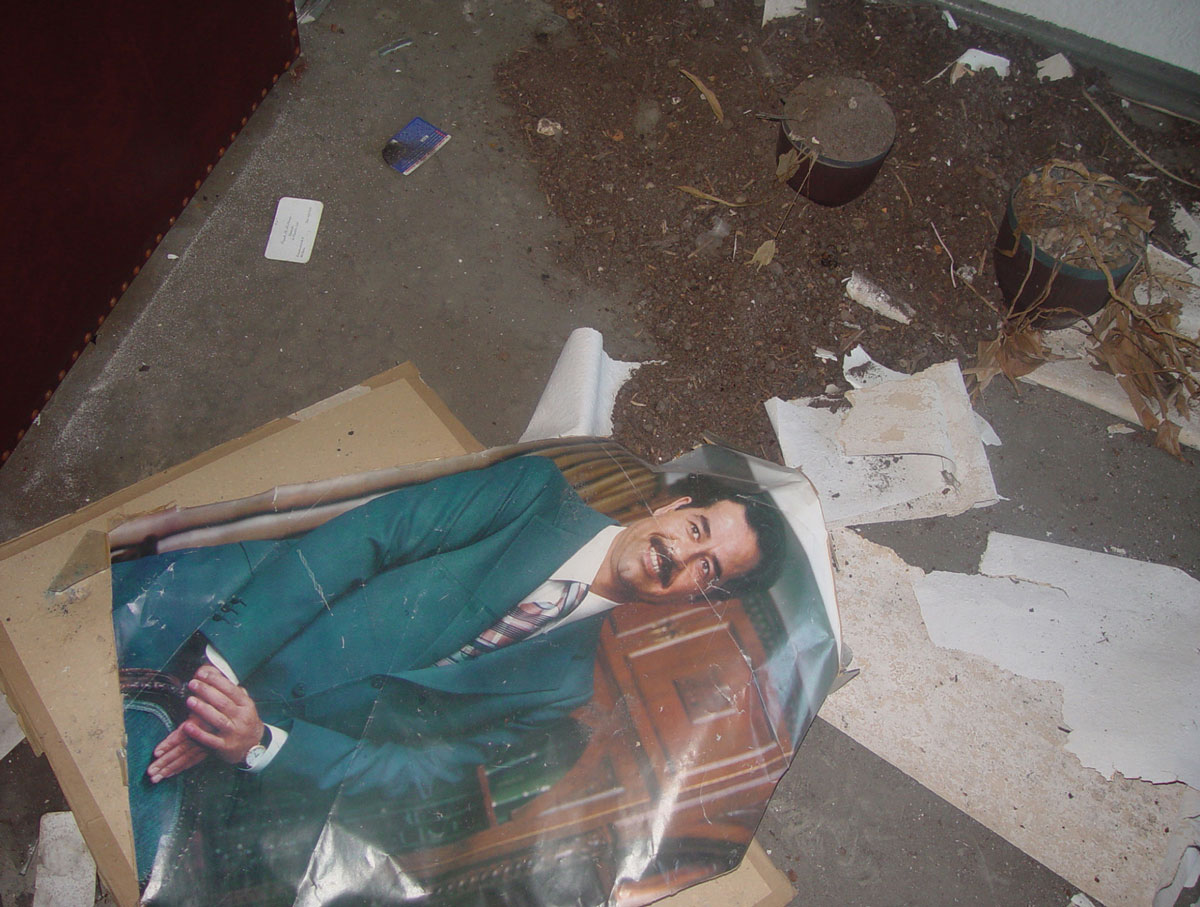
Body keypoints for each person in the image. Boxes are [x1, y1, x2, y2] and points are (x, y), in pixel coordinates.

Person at [112, 454, 786, 891]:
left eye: (710, 570)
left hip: (253, 779)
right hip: (204, 632)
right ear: (670, 506)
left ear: (706, 597)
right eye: (698, 528)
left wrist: (260, 743)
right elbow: (367, 537)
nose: (682, 554)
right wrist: (212, 672)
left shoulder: (563, 692)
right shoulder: (533, 494)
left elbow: (415, 780)